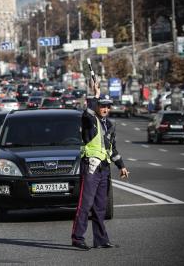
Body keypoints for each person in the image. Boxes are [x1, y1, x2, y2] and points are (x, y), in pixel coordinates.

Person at [71, 81, 129, 251]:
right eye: (102, 106)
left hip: (104, 168)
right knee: (85, 204)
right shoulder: (90, 120)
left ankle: (101, 239)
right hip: (90, 167)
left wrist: (121, 166)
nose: (105, 109)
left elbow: (112, 148)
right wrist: (95, 94)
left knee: (100, 207)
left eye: (107, 107)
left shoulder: (109, 125)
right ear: (97, 106)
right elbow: (87, 111)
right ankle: (77, 238)